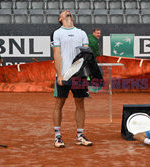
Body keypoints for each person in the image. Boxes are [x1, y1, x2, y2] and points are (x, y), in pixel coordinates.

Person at [50, 10, 92, 148]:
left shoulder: (82, 33)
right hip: (64, 75)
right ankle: (57, 137)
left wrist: (86, 74)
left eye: (69, 12)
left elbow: (85, 56)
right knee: (59, 104)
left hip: (79, 75)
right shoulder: (57, 33)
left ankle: (80, 136)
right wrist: (60, 75)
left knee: (80, 104)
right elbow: (57, 55)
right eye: (64, 12)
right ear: (60, 18)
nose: (67, 12)